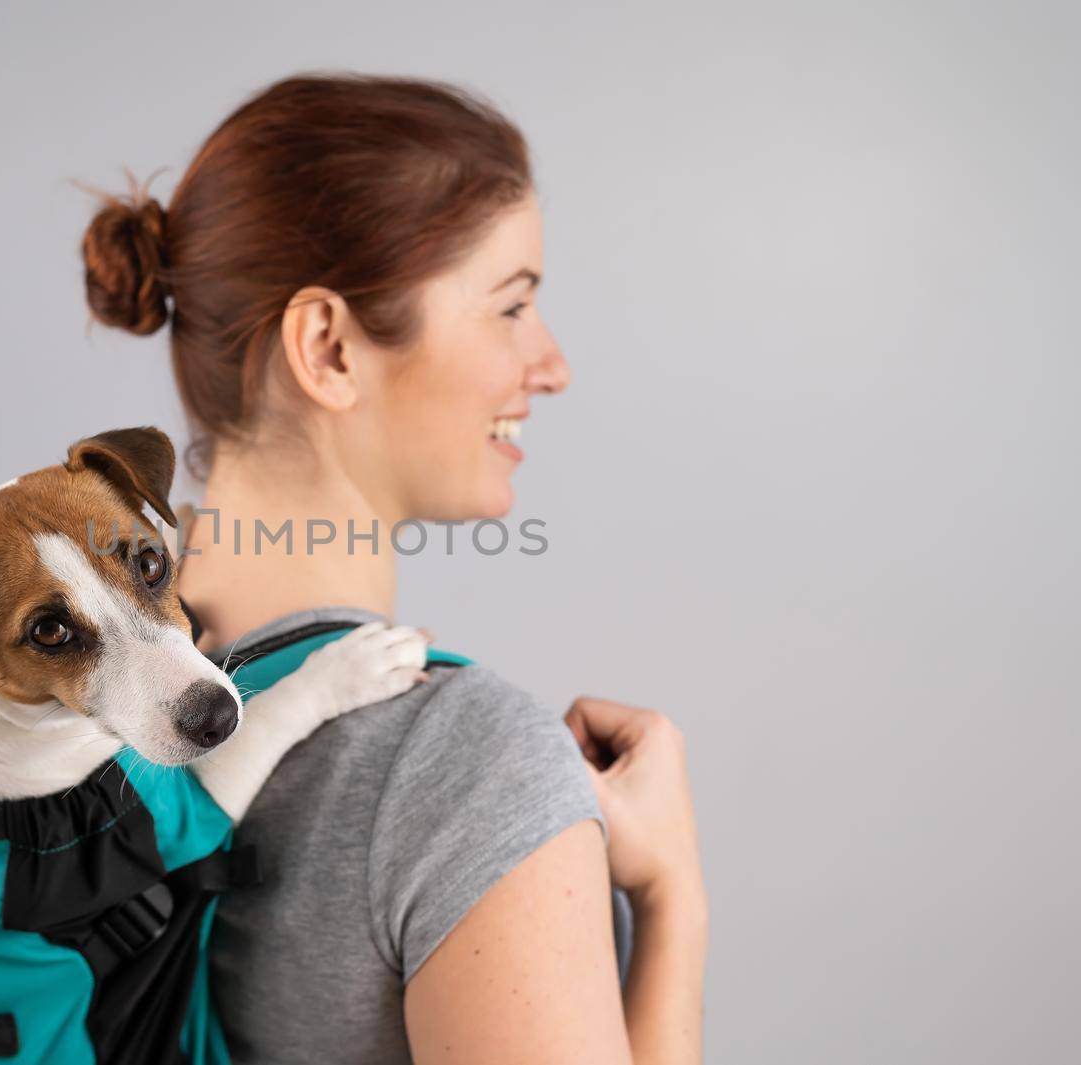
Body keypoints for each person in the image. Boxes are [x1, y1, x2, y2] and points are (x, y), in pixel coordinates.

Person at [79, 72, 707, 1065]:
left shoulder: (58, 691)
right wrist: (672, 902)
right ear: (327, 348)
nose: (551, 365)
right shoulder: (466, 765)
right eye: (510, 307)